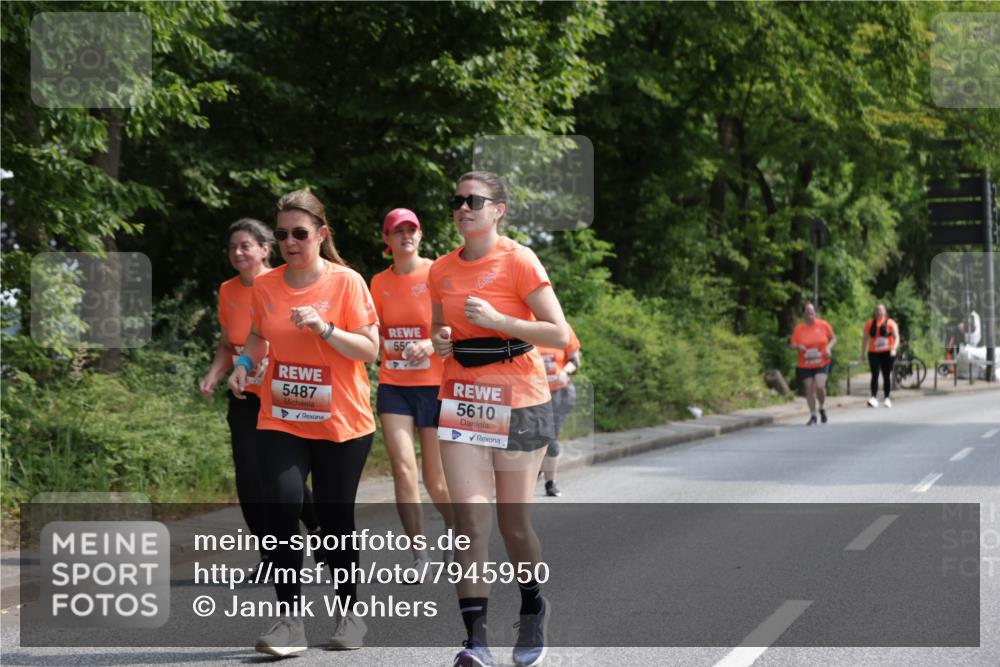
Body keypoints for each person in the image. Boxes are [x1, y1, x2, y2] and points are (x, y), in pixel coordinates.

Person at [227, 191, 380, 657]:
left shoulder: (347, 282)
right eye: (282, 234)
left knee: (334, 521)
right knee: (281, 505)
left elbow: (370, 350)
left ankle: (349, 613)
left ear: (321, 234)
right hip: (282, 416)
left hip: (342, 422)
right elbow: (258, 335)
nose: (290, 242)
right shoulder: (266, 285)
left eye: (300, 233)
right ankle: (290, 622)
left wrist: (324, 328)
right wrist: (244, 364)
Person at [430, 171, 570, 667]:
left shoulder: (519, 260)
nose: (462, 208)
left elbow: (558, 333)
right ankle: (476, 641)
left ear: (498, 209)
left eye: (474, 200)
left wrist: (499, 321)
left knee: (513, 526)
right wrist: (440, 340)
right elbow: (438, 326)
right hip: (463, 397)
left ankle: (533, 607)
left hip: (519, 400)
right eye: (457, 200)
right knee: (469, 521)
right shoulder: (440, 270)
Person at [198, 219, 321, 563]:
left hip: (282, 395)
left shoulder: (281, 283)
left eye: (245, 245)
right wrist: (213, 375)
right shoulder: (227, 290)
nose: (237, 252)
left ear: (265, 249)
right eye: (232, 247)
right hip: (244, 395)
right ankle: (271, 556)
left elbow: (295, 339)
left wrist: (275, 363)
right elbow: (229, 344)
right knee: (249, 477)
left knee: (281, 476)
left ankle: (316, 529)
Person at [370, 208, 454, 573]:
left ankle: (455, 529)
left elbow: (453, 325)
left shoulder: (437, 273)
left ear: (420, 235)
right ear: (387, 239)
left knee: (436, 481)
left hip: (434, 386)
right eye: (397, 231)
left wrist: (431, 344)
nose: (406, 235)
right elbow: (373, 331)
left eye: (411, 229)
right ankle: (419, 556)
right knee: (403, 471)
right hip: (394, 385)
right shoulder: (378, 282)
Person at [536, 326, 582, 496]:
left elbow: (575, 360)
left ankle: (550, 483)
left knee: (550, 436)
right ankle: (538, 468)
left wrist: (565, 372)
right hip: (534, 393)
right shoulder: (527, 324)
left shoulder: (564, 328)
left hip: (560, 393)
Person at [789, 302, 836, 425]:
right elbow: (792, 345)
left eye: (812, 311)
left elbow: (833, 338)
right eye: (807, 311)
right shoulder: (799, 328)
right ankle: (813, 415)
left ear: (815, 312)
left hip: (822, 361)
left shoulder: (823, 324)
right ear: (804, 313)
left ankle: (822, 406)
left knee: (820, 386)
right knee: (809, 389)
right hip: (805, 363)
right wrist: (798, 347)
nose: (810, 313)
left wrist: (828, 348)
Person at [861, 303, 899, 408]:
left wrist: (894, 349)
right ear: (875, 312)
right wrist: (862, 353)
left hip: (887, 353)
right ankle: (873, 397)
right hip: (874, 353)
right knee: (875, 374)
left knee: (886, 375)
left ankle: (887, 398)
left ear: (885, 312)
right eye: (877, 310)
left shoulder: (891, 323)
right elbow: (865, 339)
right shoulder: (870, 323)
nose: (879, 312)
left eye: (881, 310)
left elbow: (897, 337)